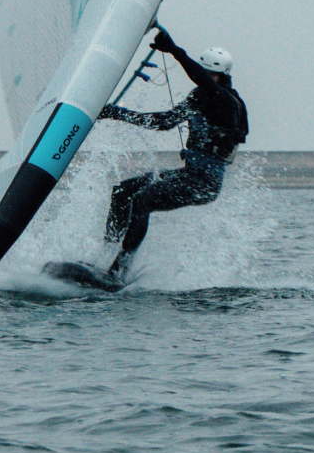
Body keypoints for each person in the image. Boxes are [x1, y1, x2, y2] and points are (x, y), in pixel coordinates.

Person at [97, 27, 249, 279]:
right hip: (188, 175)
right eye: (205, 73)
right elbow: (163, 121)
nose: (206, 78)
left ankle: (119, 271)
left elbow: (200, 79)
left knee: (142, 200)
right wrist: (116, 113)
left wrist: (174, 50)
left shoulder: (227, 103)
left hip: (205, 184)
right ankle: (103, 258)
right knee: (122, 191)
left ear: (222, 76)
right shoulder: (200, 97)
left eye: (211, 74)